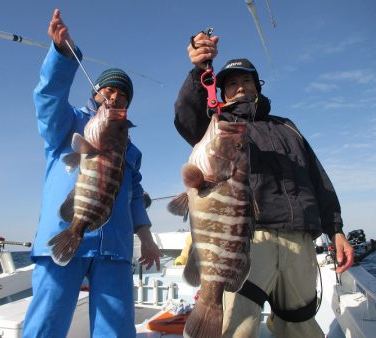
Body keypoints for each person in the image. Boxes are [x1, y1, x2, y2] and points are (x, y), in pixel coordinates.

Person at [174, 32, 354, 338]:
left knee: (301, 327)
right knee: (238, 327)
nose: (240, 86)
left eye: (246, 80)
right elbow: (186, 116)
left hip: (299, 241)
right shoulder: (217, 125)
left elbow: (318, 178)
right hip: (247, 241)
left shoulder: (286, 127)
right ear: (223, 92)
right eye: (231, 83)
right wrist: (198, 70)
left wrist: (335, 229)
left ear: (257, 86)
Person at [22, 9, 161, 338]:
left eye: (122, 96)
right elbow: (47, 97)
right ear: (95, 93)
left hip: (114, 247)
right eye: (109, 91)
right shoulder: (68, 124)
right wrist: (62, 55)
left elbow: (134, 199)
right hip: (63, 232)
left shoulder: (131, 151)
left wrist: (147, 239)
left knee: (116, 330)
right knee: (45, 325)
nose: (114, 96)